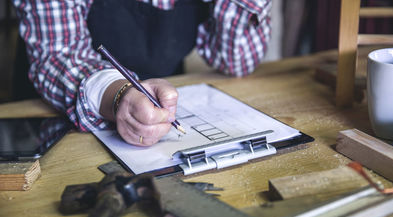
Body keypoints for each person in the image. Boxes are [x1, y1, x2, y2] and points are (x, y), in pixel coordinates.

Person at [12, 0, 272, 146]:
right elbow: (57, 54)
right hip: (51, 126)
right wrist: (119, 94)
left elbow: (235, 61)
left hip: (161, 114)